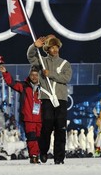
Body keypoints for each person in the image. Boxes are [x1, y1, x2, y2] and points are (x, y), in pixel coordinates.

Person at [27, 35, 72, 164]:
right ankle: (43, 151)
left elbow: (66, 78)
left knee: (60, 129)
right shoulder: (42, 61)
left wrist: (50, 74)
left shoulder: (65, 63)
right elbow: (30, 57)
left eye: (56, 47)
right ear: (47, 49)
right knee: (46, 127)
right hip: (47, 99)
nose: (55, 49)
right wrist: (34, 46)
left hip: (61, 100)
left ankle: (59, 157)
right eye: (52, 47)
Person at [0, 65, 42, 163]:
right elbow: (12, 83)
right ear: (29, 75)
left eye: (36, 75)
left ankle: (38, 154)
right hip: (28, 118)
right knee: (31, 137)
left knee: (39, 139)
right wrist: (5, 73)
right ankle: (34, 156)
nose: (34, 77)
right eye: (32, 75)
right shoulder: (24, 86)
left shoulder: (44, 87)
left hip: (40, 118)